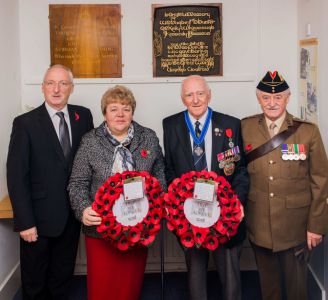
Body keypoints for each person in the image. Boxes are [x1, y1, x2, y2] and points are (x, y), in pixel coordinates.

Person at [67, 85, 166, 300]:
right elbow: (77, 182)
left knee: (129, 285)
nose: (120, 114)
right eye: (113, 109)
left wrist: (157, 206)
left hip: (138, 227)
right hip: (100, 230)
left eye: (126, 108)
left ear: (132, 112)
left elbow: (160, 177)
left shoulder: (148, 137)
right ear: (105, 113)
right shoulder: (90, 141)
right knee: (102, 285)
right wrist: (83, 208)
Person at [6, 64, 94, 299]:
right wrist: (24, 222)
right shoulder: (25, 123)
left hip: (71, 216)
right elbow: (16, 175)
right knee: (35, 282)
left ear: (71, 88)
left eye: (63, 83)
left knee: (62, 278)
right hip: (37, 219)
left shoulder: (83, 116)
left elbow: (90, 162)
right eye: (51, 83)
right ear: (42, 88)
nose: (56, 89)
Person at [241, 70, 328, 300]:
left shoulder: (307, 131)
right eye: (266, 98)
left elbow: (320, 180)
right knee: (268, 287)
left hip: (296, 225)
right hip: (259, 221)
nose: (272, 103)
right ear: (259, 99)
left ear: (287, 98)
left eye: (278, 97)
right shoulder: (245, 128)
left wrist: (317, 225)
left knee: (296, 287)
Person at [163, 75, 249, 300]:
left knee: (230, 278)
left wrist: (237, 203)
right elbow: (170, 169)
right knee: (196, 275)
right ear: (183, 98)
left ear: (209, 94)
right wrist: (177, 203)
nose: (196, 99)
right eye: (189, 94)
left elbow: (240, 170)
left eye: (200, 93)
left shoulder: (230, 124)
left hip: (224, 213)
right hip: (190, 215)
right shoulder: (170, 124)